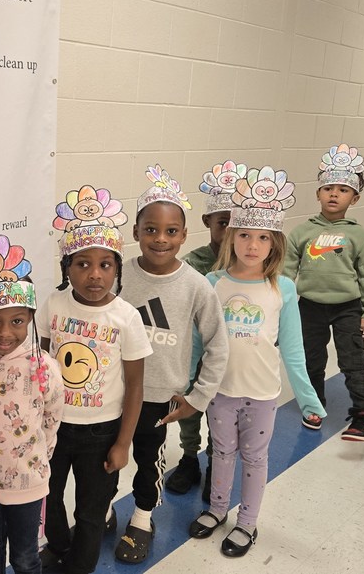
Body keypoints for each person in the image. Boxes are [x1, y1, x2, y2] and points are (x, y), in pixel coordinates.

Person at [176, 166, 325, 558]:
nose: (252, 245)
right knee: (221, 453)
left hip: (261, 394)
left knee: (255, 459)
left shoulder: (282, 288)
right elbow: (198, 342)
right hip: (220, 391)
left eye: (262, 237)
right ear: (231, 236)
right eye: (244, 234)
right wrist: (187, 384)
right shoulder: (213, 283)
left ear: (275, 243)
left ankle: (247, 522)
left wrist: (307, 398)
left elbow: (292, 348)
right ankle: (217, 510)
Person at [114, 166, 227, 564]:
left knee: (149, 461)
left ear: (183, 234)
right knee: (104, 457)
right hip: (111, 391)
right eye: (151, 229)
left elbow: (217, 345)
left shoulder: (196, 285)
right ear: (136, 232)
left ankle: (142, 519)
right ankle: (103, 509)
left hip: (159, 396)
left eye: (171, 231)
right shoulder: (117, 275)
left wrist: (199, 397)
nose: (160, 239)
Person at [39, 185, 153, 574]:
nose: (94, 275)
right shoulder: (54, 304)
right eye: (82, 264)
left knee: (91, 510)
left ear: (117, 269)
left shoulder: (127, 318)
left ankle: (80, 566)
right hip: (53, 427)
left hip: (101, 432)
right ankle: (58, 546)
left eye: (105, 265)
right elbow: (39, 366)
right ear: (66, 268)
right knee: (48, 499)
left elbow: (135, 387)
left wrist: (122, 443)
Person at [0, 233, 63, 574]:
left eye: (17, 321)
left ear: (30, 319)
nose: (5, 332)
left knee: (25, 557)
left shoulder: (44, 367)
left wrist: (38, 457)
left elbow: (52, 416)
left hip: (28, 485)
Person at [283, 144, 364, 441]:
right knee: (310, 360)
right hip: (309, 306)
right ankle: (313, 405)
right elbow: (285, 274)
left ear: (355, 198)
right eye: (328, 188)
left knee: (353, 360)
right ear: (318, 194)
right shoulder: (301, 232)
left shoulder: (358, 234)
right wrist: (280, 309)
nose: (334, 194)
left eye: (343, 190)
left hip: (347, 306)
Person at [170, 160, 244, 500]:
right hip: (191, 350)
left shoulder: (246, 266)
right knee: (189, 404)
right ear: (207, 222)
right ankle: (189, 457)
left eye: (236, 225)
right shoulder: (192, 263)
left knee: (221, 408)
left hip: (228, 353)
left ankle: (217, 459)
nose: (228, 232)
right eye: (222, 223)